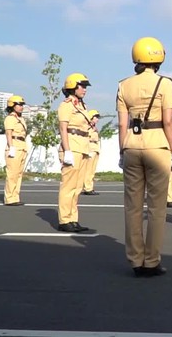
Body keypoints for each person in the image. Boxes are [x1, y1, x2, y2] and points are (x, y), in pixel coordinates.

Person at [117, 37, 172, 277]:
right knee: (156, 207)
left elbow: (122, 124)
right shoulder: (164, 84)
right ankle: (151, 260)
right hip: (157, 146)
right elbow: (168, 121)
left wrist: (122, 150)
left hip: (131, 146)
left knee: (132, 206)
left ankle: (135, 260)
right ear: (158, 57)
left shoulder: (123, 85)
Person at [57, 73, 93, 233]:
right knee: (68, 186)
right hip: (72, 146)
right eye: (82, 86)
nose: (85, 89)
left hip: (83, 147)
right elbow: (63, 128)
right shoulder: (67, 105)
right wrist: (67, 150)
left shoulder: (81, 106)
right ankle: (64, 220)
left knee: (78, 187)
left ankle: (73, 218)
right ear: (73, 87)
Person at [3, 95, 28, 206]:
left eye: (22, 105)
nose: (21, 107)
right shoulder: (10, 118)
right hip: (14, 145)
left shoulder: (20, 118)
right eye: (19, 104)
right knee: (12, 174)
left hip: (22, 145)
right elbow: (9, 133)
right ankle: (9, 198)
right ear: (12, 105)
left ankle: (15, 196)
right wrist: (11, 147)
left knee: (18, 174)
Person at [81, 109, 101, 196]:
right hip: (90, 149)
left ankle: (90, 187)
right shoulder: (87, 127)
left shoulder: (94, 128)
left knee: (92, 171)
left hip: (95, 149)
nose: (97, 119)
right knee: (88, 170)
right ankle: (87, 188)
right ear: (91, 117)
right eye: (96, 117)